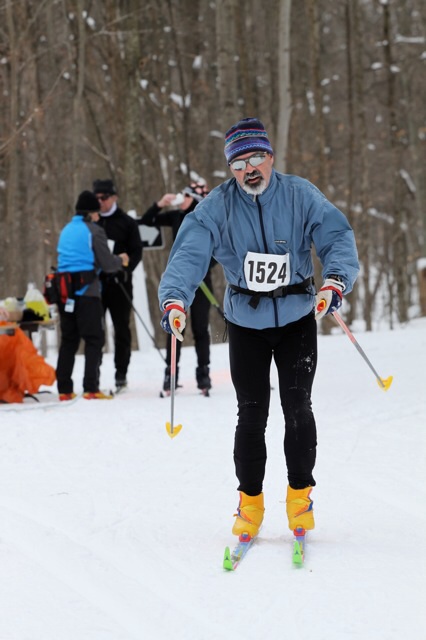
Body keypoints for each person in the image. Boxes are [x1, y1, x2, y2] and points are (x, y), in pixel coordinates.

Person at [158, 117, 359, 538]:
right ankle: (250, 504)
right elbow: (188, 255)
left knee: (297, 407)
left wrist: (335, 281)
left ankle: (299, 497)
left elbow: (336, 237)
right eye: (238, 163)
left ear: (270, 156)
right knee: (251, 413)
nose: (248, 169)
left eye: (255, 159)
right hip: (246, 323)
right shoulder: (215, 207)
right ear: (230, 168)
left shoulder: (300, 195)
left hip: (297, 317)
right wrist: (175, 300)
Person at [140, 181, 214, 394]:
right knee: (174, 325)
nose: (181, 198)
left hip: (201, 282)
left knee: (200, 328)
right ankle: (170, 375)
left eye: (186, 195)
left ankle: (203, 375)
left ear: (196, 199)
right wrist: (159, 204)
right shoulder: (176, 216)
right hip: (179, 279)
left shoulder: (206, 218)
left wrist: (200, 267)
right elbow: (146, 221)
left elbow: (219, 250)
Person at [56, 190, 128, 400]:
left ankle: (64, 390)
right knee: (94, 339)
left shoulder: (66, 230)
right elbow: (107, 264)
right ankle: (91, 388)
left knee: (69, 340)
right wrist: (121, 260)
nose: (98, 216)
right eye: (96, 213)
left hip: (64, 293)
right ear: (90, 213)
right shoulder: (94, 231)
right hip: (87, 292)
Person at [93, 179, 143, 392]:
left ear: (113, 197)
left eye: (104, 197)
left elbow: (136, 252)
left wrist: (125, 269)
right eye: (96, 198)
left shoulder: (126, 222)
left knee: (121, 329)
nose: (100, 201)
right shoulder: (91, 221)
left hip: (120, 284)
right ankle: (93, 376)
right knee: (95, 330)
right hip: (96, 284)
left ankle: (121, 374)